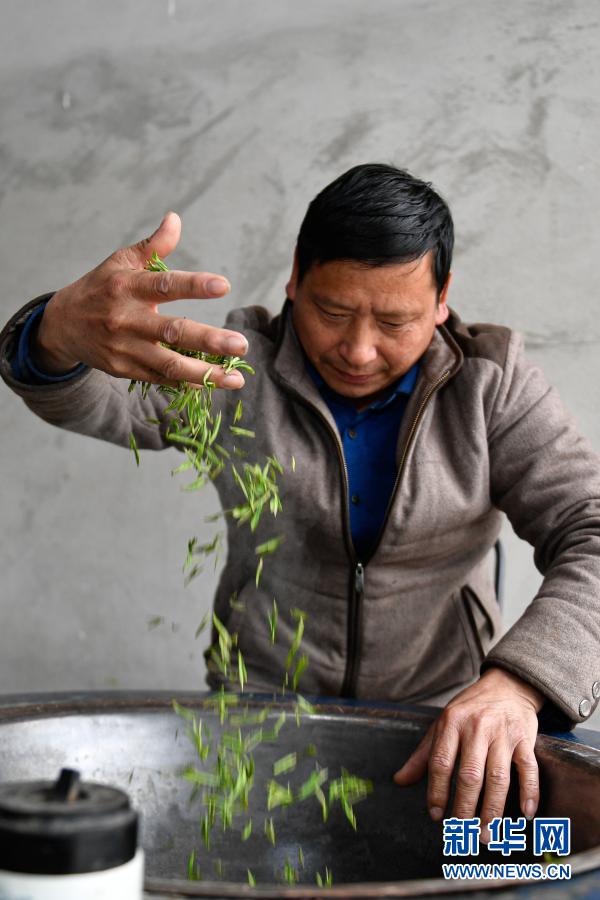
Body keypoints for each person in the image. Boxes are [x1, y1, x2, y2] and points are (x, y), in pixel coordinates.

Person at [2, 164, 600, 842]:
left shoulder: (493, 387)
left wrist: (519, 683)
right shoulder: (234, 371)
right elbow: (102, 398)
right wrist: (52, 334)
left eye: (395, 321)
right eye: (332, 313)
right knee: (256, 867)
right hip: (260, 722)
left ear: (442, 300)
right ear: (294, 278)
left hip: (442, 724)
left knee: (489, 872)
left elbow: (590, 527)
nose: (359, 350)